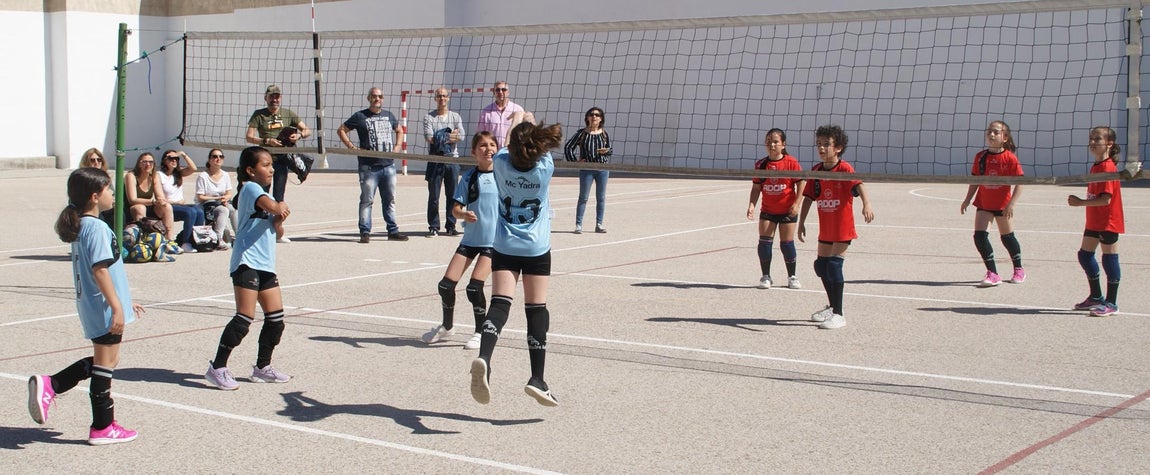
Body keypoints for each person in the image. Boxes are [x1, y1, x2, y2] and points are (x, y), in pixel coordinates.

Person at [29, 167, 145, 445]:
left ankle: (53, 385)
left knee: (107, 361)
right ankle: (102, 426)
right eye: (109, 190)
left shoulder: (84, 225)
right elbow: (100, 271)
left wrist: (126, 301)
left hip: (97, 304)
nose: (113, 195)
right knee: (105, 366)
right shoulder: (95, 227)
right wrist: (117, 307)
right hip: (103, 307)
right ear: (95, 196)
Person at [469, 119, 562, 407]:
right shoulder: (545, 168)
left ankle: (484, 356)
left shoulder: (499, 163)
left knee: (499, 305)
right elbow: (536, 144)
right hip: (535, 248)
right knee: (536, 310)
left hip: (505, 246)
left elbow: (513, 146)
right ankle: (537, 379)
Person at [204, 146, 293, 390]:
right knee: (244, 318)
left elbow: (278, 229)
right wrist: (280, 203)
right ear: (250, 170)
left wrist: (280, 218)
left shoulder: (262, 194)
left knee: (276, 319)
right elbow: (275, 207)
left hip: (265, 263)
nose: (271, 169)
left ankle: (262, 368)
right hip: (246, 261)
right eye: (266, 165)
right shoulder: (251, 188)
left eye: (272, 165)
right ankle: (217, 367)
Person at [422, 131, 499, 349]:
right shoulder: (469, 177)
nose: (488, 149)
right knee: (445, 286)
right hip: (471, 240)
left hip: (492, 243)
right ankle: (447, 326)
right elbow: (455, 208)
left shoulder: (503, 175)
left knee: (474, 288)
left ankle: (480, 332)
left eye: (492, 145)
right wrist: (463, 214)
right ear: (474, 152)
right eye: (483, 146)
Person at [797, 125, 874, 330]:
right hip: (826, 228)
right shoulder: (816, 171)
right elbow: (808, 198)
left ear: (838, 148)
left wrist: (867, 204)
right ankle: (831, 307)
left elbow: (859, 185)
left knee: (833, 266)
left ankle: (839, 314)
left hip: (842, 227)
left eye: (826, 144)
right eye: (818, 144)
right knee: (820, 267)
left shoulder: (845, 169)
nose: (821, 148)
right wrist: (801, 222)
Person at [338, 87, 408, 243]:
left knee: (389, 199)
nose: (377, 99)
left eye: (380, 96)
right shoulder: (360, 116)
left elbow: (399, 129)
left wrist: (397, 147)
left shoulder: (388, 115)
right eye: (374, 96)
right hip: (368, 167)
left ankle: (392, 231)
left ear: (383, 99)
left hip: (388, 165)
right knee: (367, 200)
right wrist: (352, 147)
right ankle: (365, 232)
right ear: (369, 98)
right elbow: (341, 129)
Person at [960, 120, 1026, 287]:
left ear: (1005, 138)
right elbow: (975, 179)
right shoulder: (980, 157)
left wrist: (1011, 204)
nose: (991, 134)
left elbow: (1020, 183)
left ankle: (1018, 269)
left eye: (996, 132)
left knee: (1007, 238)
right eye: (989, 131)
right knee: (979, 236)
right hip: (984, 203)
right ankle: (993, 273)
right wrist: (967, 199)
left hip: (1002, 205)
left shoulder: (1010, 158)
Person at [1068, 126, 1125, 317]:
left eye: (1097, 139)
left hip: (1108, 221)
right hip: (1094, 220)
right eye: (1091, 139)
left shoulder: (1108, 167)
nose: (1092, 142)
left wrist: (1080, 203)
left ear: (1109, 143)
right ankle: (1096, 296)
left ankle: (1112, 303)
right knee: (1085, 255)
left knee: (1109, 258)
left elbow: (1105, 199)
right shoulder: (1096, 166)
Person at [245, 84, 311, 243]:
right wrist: (267, 141)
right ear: (266, 97)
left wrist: (299, 135)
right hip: (265, 161)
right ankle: (258, 229)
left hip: (282, 161)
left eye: (277, 96)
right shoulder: (259, 115)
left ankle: (275, 228)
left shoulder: (288, 114)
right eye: (272, 96)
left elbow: (307, 130)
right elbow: (249, 137)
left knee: (279, 195)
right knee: (262, 195)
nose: (275, 99)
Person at [745, 128, 805, 290]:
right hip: (768, 210)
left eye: (775, 141)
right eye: (769, 141)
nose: (772, 144)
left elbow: (801, 183)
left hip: (787, 210)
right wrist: (752, 205)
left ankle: (792, 276)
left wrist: (796, 204)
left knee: (786, 243)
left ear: (783, 144)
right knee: (764, 242)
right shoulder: (761, 164)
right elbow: (756, 187)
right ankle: (766, 276)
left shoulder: (791, 162)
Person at [423, 87, 465, 237]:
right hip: (435, 159)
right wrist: (449, 134)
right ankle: (433, 226)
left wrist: (442, 136)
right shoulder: (429, 117)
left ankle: (451, 225)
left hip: (452, 159)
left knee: (452, 195)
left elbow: (461, 136)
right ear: (435, 99)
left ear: (448, 98)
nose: (442, 98)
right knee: (434, 196)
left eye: (444, 96)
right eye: (439, 96)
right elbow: (430, 138)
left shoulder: (455, 116)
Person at [564, 107, 613, 234]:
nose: (594, 117)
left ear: (601, 118)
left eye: (597, 115)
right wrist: (575, 162)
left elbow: (610, 150)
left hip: (603, 169)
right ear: (587, 117)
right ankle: (578, 225)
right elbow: (568, 147)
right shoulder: (581, 133)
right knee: (583, 197)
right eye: (591, 114)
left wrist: (606, 151)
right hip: (587, 169)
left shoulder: (604, 133)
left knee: (601, 197)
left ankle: (599, 224)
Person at [157, 149, 207, 253]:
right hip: (167, 207)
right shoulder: (159, 175)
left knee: (199, 211)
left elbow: (193, 168)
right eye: (171, 158)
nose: (174, 160)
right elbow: (160, 198)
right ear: (164, 160)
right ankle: (186, 243)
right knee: (190, 212)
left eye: (176, 158)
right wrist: (177, 202)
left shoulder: (178, 174)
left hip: (180, 205)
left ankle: (196, 240)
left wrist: (183, 154)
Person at [123, 152, 175, 240]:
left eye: (151, 162)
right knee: (140, 207)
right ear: (139, 163)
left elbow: (160, 197)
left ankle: (169, 239)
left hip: (148, 206)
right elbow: (132, 200)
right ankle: (142, 239)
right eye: (145, 162)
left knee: (167, 207)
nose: (148, 164)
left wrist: (161, 201)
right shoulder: (131, 176)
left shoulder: (154, 176)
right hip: (131, 208)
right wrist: (153, 201)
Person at [195, 148, 236, 248]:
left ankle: (240, 235)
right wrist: (217, 198)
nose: (218, 159)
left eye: (221, 156)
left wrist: (224, 198)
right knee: (224, 210)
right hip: (206, 204)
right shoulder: (203, 176)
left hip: (220, 202)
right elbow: (200, 197)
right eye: (215, 156)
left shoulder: (225, 175)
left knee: (233, 209)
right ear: (209, 160)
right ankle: (219, 239)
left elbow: (229, 193)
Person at [476, 81, 524, 149]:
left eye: (504, 90)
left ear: (508, 92)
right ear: (494, 93)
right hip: (493, 153)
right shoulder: (486, 112)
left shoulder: (518, 109)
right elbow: (480, 135)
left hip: (513, 152)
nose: (500, 92)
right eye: (498, 90)